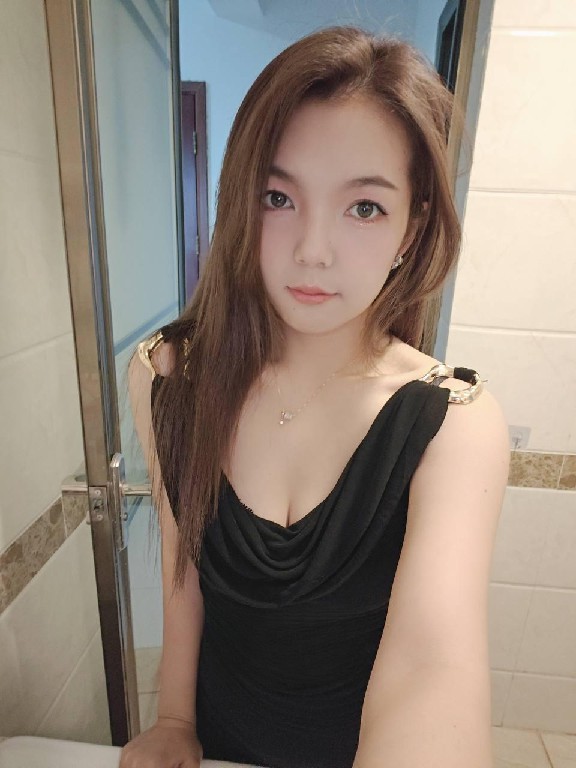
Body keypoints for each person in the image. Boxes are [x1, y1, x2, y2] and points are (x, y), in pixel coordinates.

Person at [120, 25, 509, 768]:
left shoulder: (451, 425)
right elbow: (183, 570)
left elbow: (433, 663)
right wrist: (173, 719)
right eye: (279, 197)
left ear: (412, 226)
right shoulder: (170, 376)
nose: (312, 250)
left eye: (364, 207)